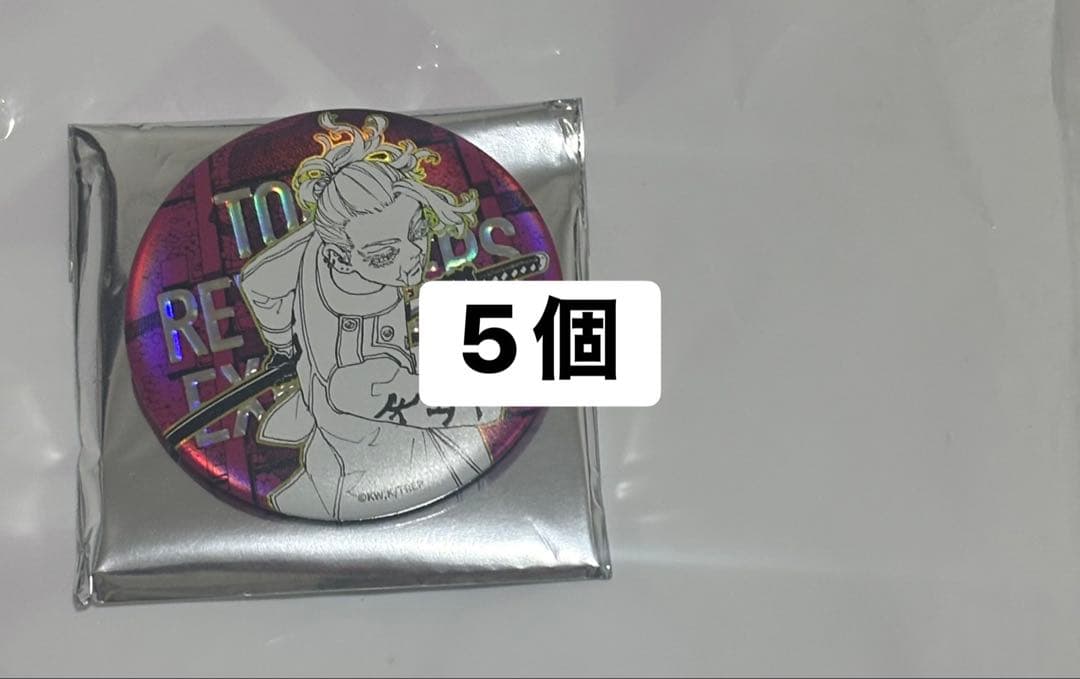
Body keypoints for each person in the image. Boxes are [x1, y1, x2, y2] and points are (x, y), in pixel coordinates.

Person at [239, 112, 501, 521]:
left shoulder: (333, 231)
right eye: (384, 254)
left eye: (418, 231)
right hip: (383, 468)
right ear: (341, 257)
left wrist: (283, 343)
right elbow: (480, 406)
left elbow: (259, 282)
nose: (413, 257)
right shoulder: (355, 378)